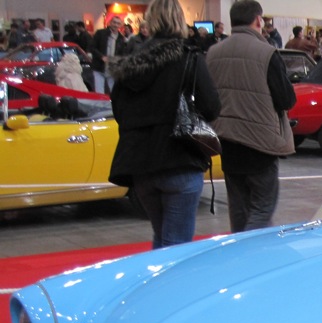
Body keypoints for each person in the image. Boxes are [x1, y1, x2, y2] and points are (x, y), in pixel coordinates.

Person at [108, 0, 221, 249]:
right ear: (179, 20)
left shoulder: (130, 62)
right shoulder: (189, 57)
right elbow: (212, 106)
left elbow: (118, 109)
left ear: (150, 21)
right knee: (175, 247)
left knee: (161, 238)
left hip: (140, 162)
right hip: (180, 157)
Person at [206, 0, 296, 232]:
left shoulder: (213, 53)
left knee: (238, 208)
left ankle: (240, 248)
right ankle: (253, 249)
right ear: (258, 20)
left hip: (226, 140)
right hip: (260, 143)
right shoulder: (266, 53)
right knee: (262, 209)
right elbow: (286, 99)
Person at [91, 16, 129, 94]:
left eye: (118, 23)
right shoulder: (100, 33)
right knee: (99, 93)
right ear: (110, 23)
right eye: (114, 22)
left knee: (114, 92)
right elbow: (92, 47)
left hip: (112, 68)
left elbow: (122, 54)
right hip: (99, 67)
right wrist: (101, 57)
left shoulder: (121, 38)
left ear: (120, 25)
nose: (116, 25)